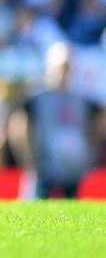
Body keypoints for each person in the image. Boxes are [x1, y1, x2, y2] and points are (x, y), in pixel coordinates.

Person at [10, 42, 105, 199]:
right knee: (33, 208)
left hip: (72, 167)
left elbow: (100, 117)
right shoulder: (38, 98)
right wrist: (27, 157)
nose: (64, 71)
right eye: (61, 66)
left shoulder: (81, 98)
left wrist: (91, 148)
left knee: (73, 211)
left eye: (68, 67)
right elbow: (18, 124)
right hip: (43, 166)